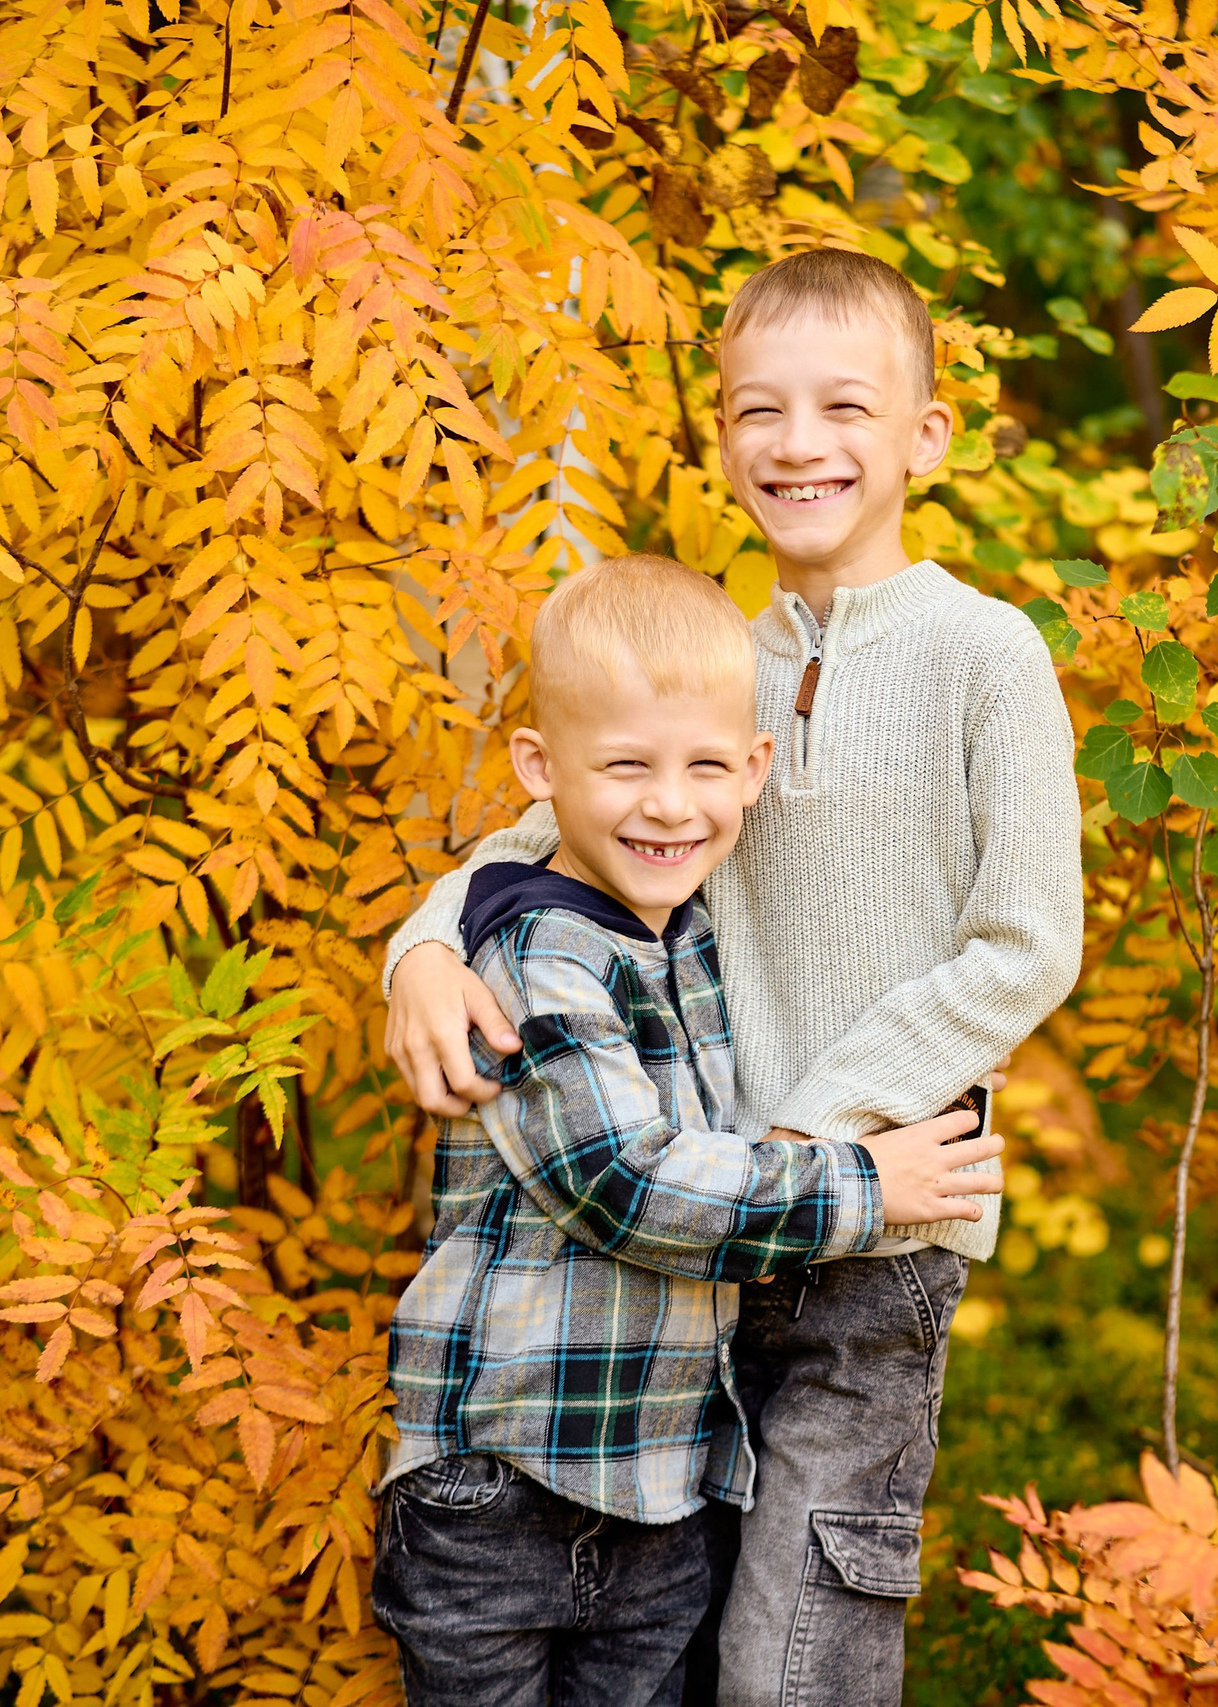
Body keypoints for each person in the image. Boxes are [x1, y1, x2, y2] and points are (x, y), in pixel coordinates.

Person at [382, 249, 1084, 1706]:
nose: (801, 442)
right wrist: (424, 947)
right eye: (761, 410)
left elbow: (1028, 941)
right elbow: (541, 825)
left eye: (844, 406)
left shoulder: (985, 656)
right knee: (675, 1639)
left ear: (924, 436)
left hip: (873, 1241)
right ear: (722, 438)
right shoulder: (716, 660)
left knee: (798, 1650)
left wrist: (827, 1130)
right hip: (689, 1239)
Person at [370, 552, 1008, 1707]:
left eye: (705, 768)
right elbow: (626, 1185)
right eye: (625, 768)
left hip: (659, 1499)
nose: (670, 803)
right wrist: (863, 1184)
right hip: (503, 1492)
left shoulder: (685, 926)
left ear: (754, 768)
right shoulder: (539, 956)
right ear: (539, 769)